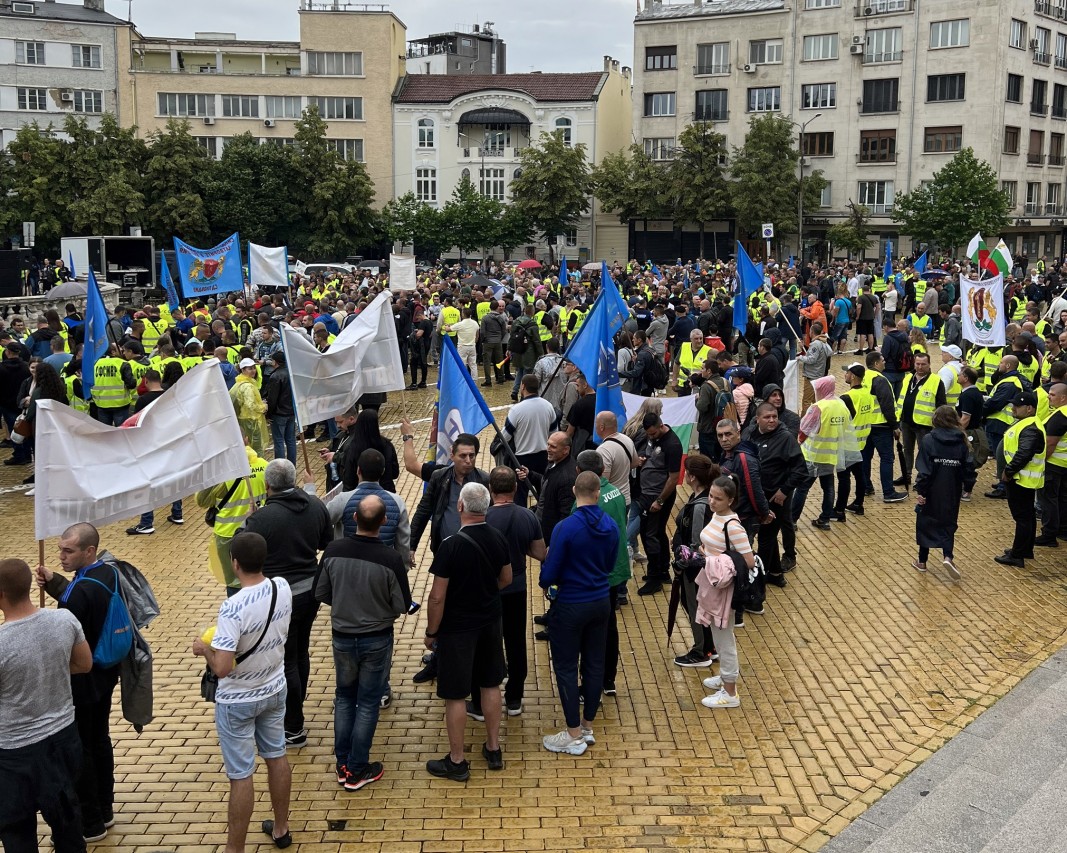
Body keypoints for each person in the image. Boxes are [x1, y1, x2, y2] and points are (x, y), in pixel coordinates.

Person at [192, 532, 295, 852]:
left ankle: (234, 849)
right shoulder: (283, 588)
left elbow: (222, 667)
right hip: (275, 688)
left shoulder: (232, 607)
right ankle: (281, 829)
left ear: (234, 563)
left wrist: (202, 649)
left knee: (241, 775)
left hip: (238, 700)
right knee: (276, 756)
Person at [315, 495, 410, 792]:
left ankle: (342, 763)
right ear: (383, 522)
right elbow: (403, 604)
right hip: (377, 638)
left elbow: (321, 592)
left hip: (342, 637)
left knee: (344, 697)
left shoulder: (333, 550)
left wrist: (344, 603)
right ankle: (357, 769)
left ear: (354, 518)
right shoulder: (391, 559)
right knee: (368, 702)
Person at [0, 557, 93, 853]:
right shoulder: (64, 620)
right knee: (67, 822)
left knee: (16, 830)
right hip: (64, 738)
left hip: (14, 751)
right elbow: (84, 664)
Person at [35, 523, 120, 841]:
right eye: (59, 549)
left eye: (68, 551)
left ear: (89, 551)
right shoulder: (109, 572)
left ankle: (90, 822)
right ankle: (106, 808)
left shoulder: (77, 594)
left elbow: (68, 629)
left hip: (81, 681)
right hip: (107, 673)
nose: (61, 556)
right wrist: (57, 582)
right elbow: (83, 593)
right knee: (99, 739)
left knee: (80, 749)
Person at [241, 459, 332, 747]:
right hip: (311, 591)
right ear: (293, 481)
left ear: (267, 485)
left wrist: (251, 523)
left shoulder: (262, 519)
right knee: (300, 651)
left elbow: (244, 556)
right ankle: (296, 706)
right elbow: (325, 542)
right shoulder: (316, 506)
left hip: (281, 598)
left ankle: (293, 725)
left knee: (287, 659)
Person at [424, 483, 512, 780]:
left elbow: (437, 596)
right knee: (490, 684)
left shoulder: (451, 545)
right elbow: (506, 578)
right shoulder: (498, 537)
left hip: (458, 628)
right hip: (490, 621)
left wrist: (431, 630)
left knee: (455, 694)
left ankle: (457, 760)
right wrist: (484, 593)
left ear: (460, 507)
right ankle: (493, 747)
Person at [539, 470, 618, 755]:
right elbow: (610, 564)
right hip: (600, 602)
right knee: (594, 665)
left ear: (574, 491)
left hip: (571, 603)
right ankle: (587, 726)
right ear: (597, 492)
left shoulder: (565, 527)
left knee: (566, 667)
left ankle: (572, 734)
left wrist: (545, 578)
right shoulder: (610, 524)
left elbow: (551, 571)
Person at [473, 466, 546, 719]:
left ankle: (481, 700)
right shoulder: (528, 517)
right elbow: (540, 554)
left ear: (490, 490)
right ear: (515, 488)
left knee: (485, 644)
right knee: (516, 643)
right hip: (517, 588)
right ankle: (514, 698)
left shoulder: (481, 518)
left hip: (487, 591)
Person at [572, 450, 630, 695]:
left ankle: (591, 683)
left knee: (591, 632)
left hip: (595, 575)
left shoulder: (587, 502)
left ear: (578, 473)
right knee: (610, 626)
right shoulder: (615, 491)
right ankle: (608, 680)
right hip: (615, 570)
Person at [695, 475, 754, 709]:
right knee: (718, 636)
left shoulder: (734, 526)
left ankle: (730, 692)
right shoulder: (717, 516)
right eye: (710, 496)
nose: (712, 502)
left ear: (730, 500)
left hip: (724, 591)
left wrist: (712, 558)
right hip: (712, 585)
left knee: (724, 638)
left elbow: (748, 560)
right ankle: (725, 677)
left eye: (718, 499)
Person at [196, 443, 269, 596]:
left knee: (234, 582)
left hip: (228, 534)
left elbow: (201, 501)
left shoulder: (222, 473)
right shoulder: (265, 465)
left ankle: (238, 612)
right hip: (260, 529)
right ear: (247, 440)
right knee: (261, 575)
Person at [912, 406, 975, 579]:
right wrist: (967, 488)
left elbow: (924, 469)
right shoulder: (962, 440)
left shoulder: (929, 440)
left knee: (925, 522)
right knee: (948, 522)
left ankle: (922, 561)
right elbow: (968, 467)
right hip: (952, 490)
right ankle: (948, 556)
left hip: (932, 489)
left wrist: (921, 491)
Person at [793, 376, 860, 530]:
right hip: (831, 455)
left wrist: (799, 443)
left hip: (813, 455)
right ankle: (825, 519)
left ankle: (792, 520)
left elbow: (804, 429)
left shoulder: (818, 407)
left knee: (802, 488)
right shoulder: (841, 405)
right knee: (828, 488)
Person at [671, 455, 719, 668]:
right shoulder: (704, 497)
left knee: (695, 607)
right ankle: (711, 645)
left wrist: (682, 565)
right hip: (701, 568)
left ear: (691, 476)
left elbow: (696, 544)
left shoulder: (700, 506)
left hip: (695, 570)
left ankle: (701, 651)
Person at [751, 402, 807, 584]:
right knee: (768, 535)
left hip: (776, 499)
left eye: (774, 417)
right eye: (767, 417)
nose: (772, 420)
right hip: (756, 496)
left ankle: (757, 580)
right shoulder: (750, 434)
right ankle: (776, 574)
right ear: (757, 419)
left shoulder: (785, 438)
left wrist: (784, 490)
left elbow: (801, 470)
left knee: (766, 537)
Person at [995, 391, 1047, 567]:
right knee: (1027, 516)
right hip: (1023, 479)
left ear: (1029, 408)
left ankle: (1017, 555)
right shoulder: (1028, 423)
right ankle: (1025, 550)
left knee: (1022, 517)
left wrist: (1008, 471)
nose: (1012, 408)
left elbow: (1024, 453)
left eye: (1017, 406)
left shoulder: (1030, 427)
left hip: (1020, 480)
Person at [635, 413, 684, 596]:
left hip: (658, 496)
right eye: (648, 434)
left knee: (650, 535)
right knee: (656, 532)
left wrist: (660, 501)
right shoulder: (653, 438)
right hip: (648, 493)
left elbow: (673, 478)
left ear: (661, 426)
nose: (651, 437)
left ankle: (654, 578)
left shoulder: (672, 445)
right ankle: (663, 570)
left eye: (653, 434)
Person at [502, 374, 558, 506]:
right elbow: (554, 433)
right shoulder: (548, 406)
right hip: (544, 456)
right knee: (543, 492)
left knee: (520, 495)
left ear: (522, 386)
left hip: (522, 459)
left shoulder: (516, 410)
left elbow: (505, 437)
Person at [863, 350, 908, 503]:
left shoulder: (864, 377)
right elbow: (887, 405)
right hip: (881, 425)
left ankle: (866, 486)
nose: (884, 362)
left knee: (865, 457)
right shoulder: (880, 380)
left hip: (865, 424)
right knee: (887, 458)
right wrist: (895, 425)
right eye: (882, 360)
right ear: (876, 363)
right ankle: (888, 492)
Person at [895, 352, 946, 487]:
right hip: (906, 421)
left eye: (923, 364)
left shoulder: (936, 381)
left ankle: (922, 477)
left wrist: (938, 424)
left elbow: (941, 404)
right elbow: (901, 398)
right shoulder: (908, 378)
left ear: (929, 365)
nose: (920, 367)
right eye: (917, 364)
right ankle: (906, 475)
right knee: (907, 449)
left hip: (924, 423)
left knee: (924, 451)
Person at [1037, 382, 1067, 546]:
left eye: (1053, 395)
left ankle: (1049, 535)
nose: (1048, 396)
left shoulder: (1060, 416)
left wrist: (1041, 462)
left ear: (1063, 398)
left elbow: (1050, 444)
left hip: (1054, 463)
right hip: (1064, 464)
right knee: (1063, 498)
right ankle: (1063, 530)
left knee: (1048, 499)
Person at [265, 351, 297, 464]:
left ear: (276, 361)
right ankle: (292, 464)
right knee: (291, 440)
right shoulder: (291, 373)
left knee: (279, 441)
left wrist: (269, 414)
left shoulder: (275, 376)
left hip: (279, 413)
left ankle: (281, 466)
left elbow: (272, 398)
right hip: (291, 412)